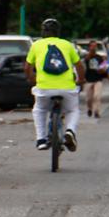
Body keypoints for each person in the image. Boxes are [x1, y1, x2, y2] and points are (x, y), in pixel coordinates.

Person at [25, 18, 85, 151]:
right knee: (72, 110)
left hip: (44, 89)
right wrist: (81, 80)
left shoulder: (36, 45)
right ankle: (70, 131)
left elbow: (27, 67)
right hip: (67, 89)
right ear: (58, 32)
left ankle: (41, 139)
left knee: (39, 110)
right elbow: (79, 65)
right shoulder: (67, 45)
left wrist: (32, 79)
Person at [83, 40, 108, 118]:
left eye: (95, 46)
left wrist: (103, 69)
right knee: (88, 98)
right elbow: (83, 67)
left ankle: (97, 111)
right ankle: (90, 108)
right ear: (89, 47)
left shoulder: (99, 57)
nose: (93, 48)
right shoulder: (86, 57)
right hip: (88, 80)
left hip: (98, 79)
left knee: (97, 96)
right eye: (92, 46)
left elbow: (104, 65)